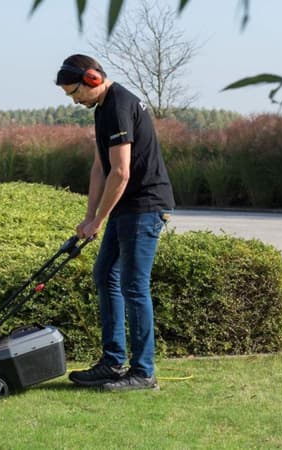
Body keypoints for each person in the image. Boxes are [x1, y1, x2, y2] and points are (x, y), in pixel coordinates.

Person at [56, 54, 174, 391]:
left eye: (74, 92)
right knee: (105, 273)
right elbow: (100, 167)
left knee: (134, 286)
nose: (74, 100)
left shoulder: (120, 104)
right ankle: (112, 361)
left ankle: (143, 372)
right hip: (126, 207)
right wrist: (90, 216)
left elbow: (121, 173)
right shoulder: (102, 110)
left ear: (92, 79)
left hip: (145, 205)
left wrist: (99, 221)